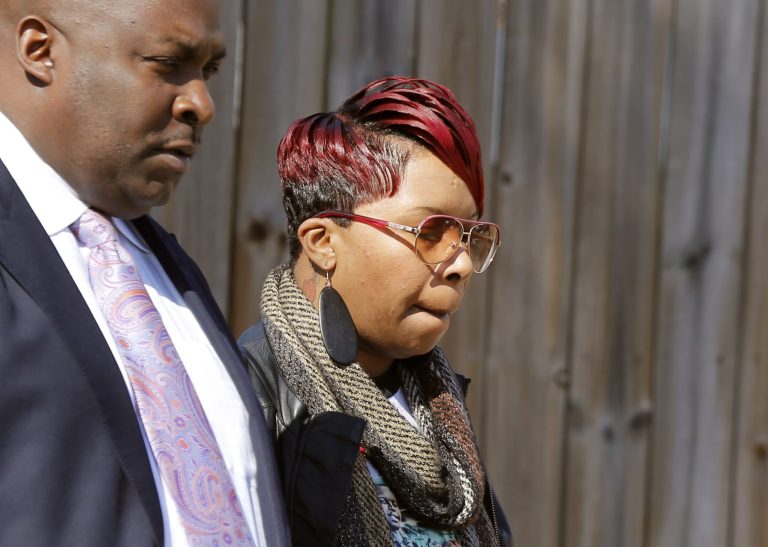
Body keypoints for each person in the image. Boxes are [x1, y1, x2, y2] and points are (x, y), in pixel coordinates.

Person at [0, 1, 289, 545]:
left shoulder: (163, 268)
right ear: (40, 51)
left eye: (209, 71)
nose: (202, 104)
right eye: (166, 62)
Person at [239, 76, 512, 546]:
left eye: (470, 236)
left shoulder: (439, 409)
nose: (462, 264)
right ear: (323, 243)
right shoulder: (246, 401)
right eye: (431, 232)